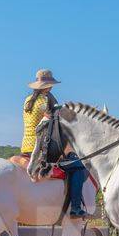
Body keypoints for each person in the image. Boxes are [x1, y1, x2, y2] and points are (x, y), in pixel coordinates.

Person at [22, 69, 90, 218]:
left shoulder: (28, 100)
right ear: (47, 86)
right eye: (51, 85)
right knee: (78, 166)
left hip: (26, 145)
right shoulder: (46, 101)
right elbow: (56, 123)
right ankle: (76, 208)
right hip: (42, 147)